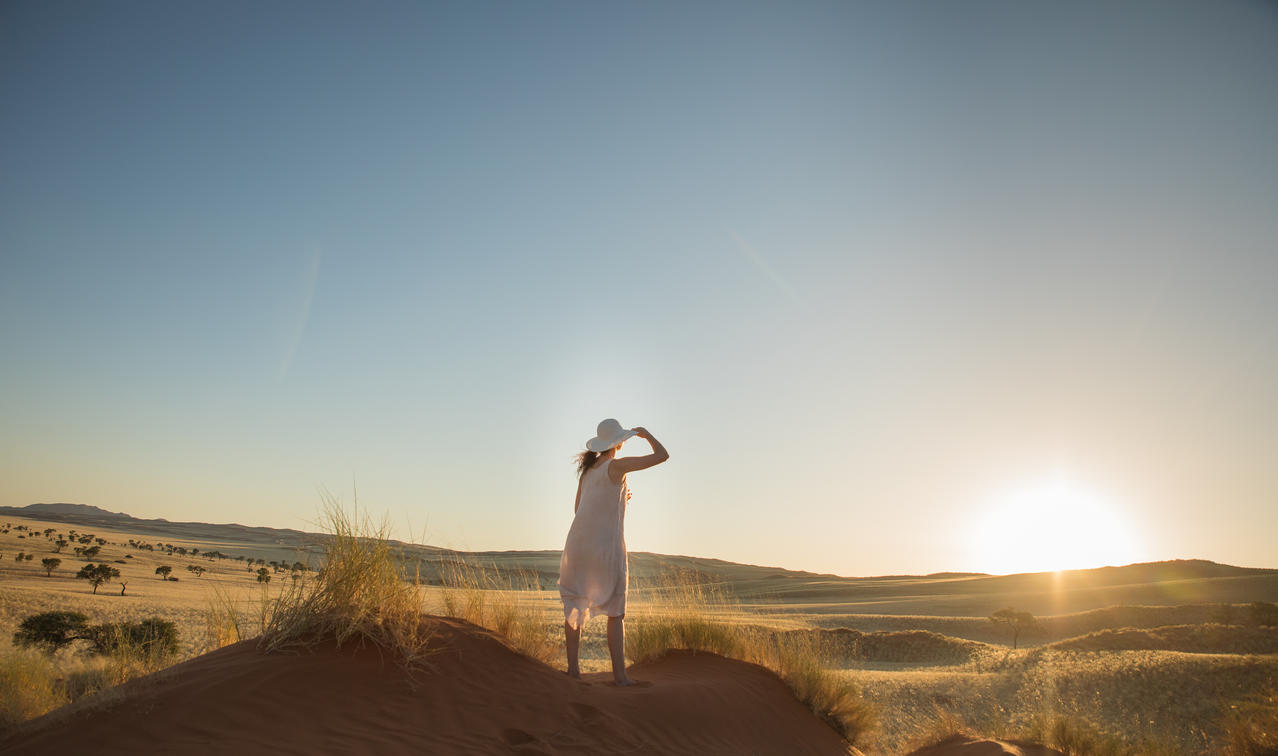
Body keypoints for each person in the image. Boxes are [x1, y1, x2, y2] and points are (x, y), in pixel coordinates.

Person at [558, 418, 669, 685]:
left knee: (574, 607)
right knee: (616, 611)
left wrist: (618, 499)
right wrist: (646, 434)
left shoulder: (587, 471)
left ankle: (573, 671)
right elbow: (662, 456)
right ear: (618, 443)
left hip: (577, 546)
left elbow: (579, 509)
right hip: (605, 547)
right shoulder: (616, 466)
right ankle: (620, 677)